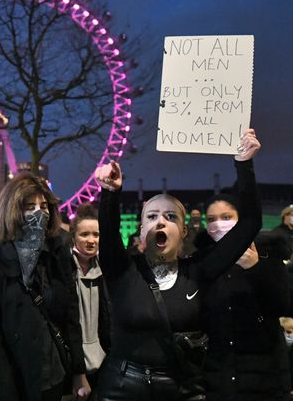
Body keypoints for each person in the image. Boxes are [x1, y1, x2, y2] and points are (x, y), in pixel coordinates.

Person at [93, 128, 262, 400]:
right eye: (152, 216)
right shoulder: (123, 270)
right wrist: (111, 194)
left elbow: (251, 223)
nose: (160, 221)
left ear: (184, 231)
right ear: (141, 229)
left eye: (171, 216)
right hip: (122, 387)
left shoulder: (199, 271)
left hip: (182, 388)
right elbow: (109, 233)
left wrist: (244, 164)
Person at [0, 172, 91, 400]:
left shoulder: (58, 256)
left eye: (44, 206)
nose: (39, 213)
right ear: (13, 211)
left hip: (53, 377)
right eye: (30, 207)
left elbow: (70, 316)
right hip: (13, 382)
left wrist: (79, 371)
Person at [200, 194, 290, 400]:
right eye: (211, 219)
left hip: (262, 377)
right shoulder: (205, 261)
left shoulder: (269, 256)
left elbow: (280, 305)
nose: (218, 224)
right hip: (219, 375)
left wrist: (255, 268)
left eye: (226, 216)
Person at [68, 205, 112, 397]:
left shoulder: (109, 270)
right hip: (71, 363)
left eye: (96, 234)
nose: (91, 240)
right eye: (84, 234)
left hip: (105, 361)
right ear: (73, 237)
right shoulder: (63, 270)